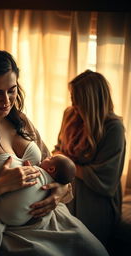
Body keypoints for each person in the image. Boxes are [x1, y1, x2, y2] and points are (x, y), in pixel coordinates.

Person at [0, 50, 109, 256]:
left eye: (12, 90)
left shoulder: (22, 121)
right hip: (8, 230)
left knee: (95, 250)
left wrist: (60, 191)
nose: (6, 101)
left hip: (49, 218)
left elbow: (53, 167)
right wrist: (1, 185)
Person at [53, 69, 126, 247]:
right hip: (70, 186)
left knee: (84, 244)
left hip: (96, 198)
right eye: (72, 97)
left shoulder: (113, 128)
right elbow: (57, 150)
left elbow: (105, 180)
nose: (73, 102)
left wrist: (67, 164)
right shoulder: (70, 114)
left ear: (90, 101)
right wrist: (61, 160)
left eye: (76, 98)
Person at [0, 153, 76, 226]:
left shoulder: (37, 171)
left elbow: (28, 177)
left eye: (49, 158)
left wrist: (64, 188)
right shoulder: (50, 188)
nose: (46, 157)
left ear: (51, 169)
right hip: (19, 221)